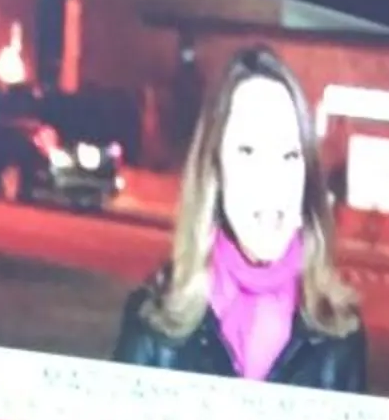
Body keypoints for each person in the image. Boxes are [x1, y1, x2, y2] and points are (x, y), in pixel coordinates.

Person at [114, 45, 367, 391]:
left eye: (290, 155)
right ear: (214, 167)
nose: (272, 181)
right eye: (248, 151)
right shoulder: (154, 320)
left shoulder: (339, 333)